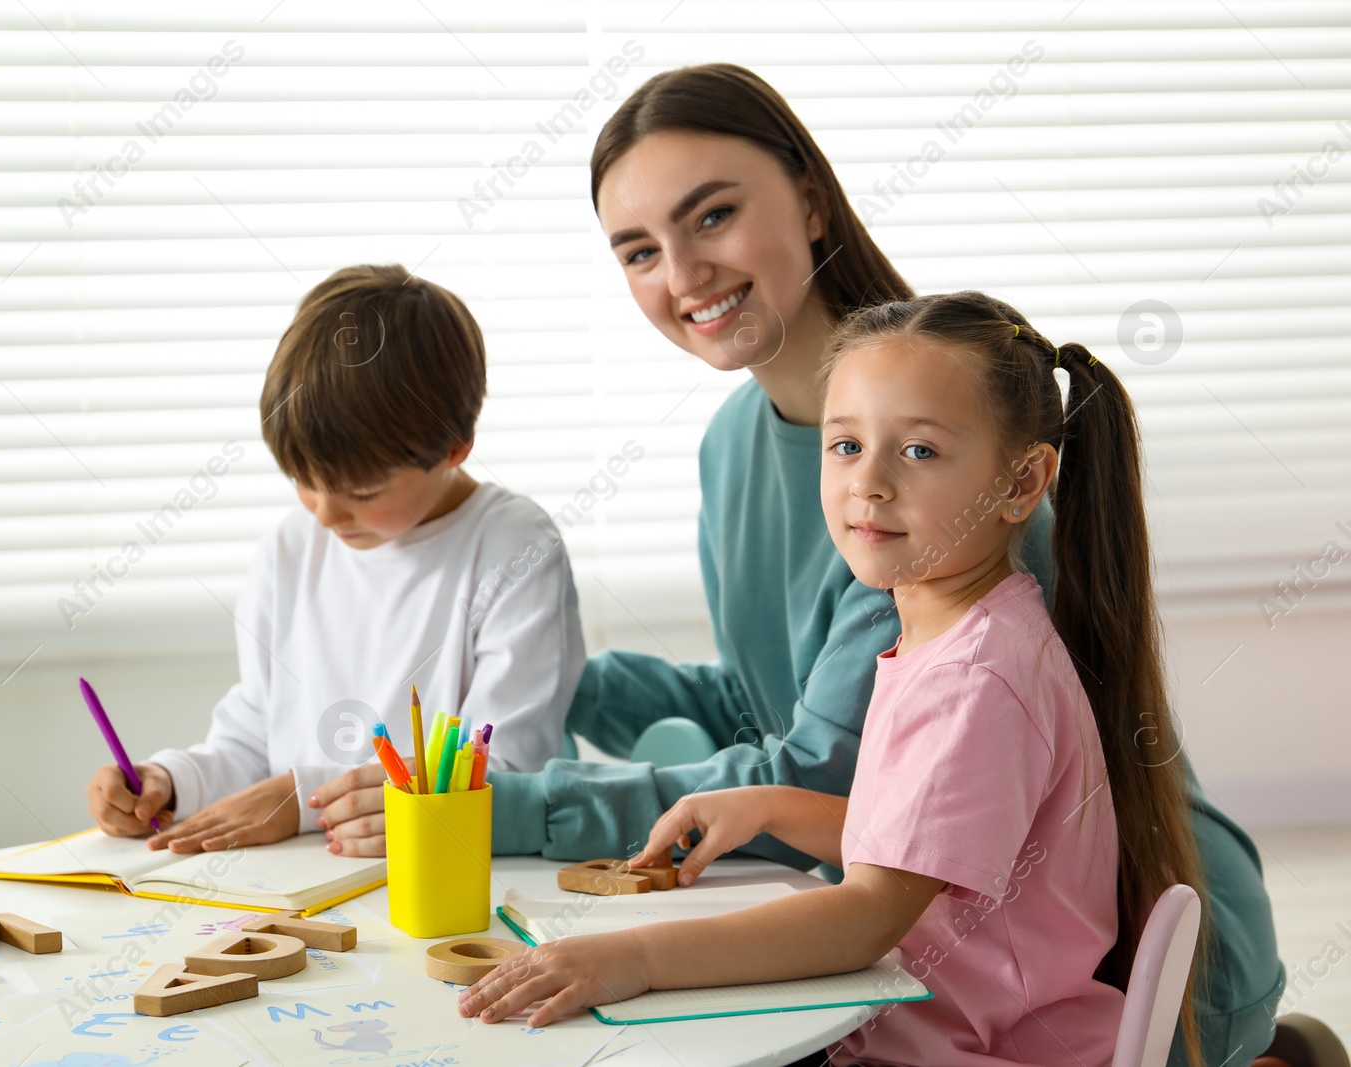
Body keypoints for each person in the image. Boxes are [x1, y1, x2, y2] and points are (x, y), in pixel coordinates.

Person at [305, 65, 1280, 1064]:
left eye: (712, 215)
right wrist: (538, 669)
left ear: (811, 200)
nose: (682, 274)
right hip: (961, 952)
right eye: (639, 250)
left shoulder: (956, 473)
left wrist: (516, 818)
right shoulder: (746, 445)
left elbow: (831, 784)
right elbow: (773, 701)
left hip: (1124, 978)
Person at [458, 291, 1203, 1067]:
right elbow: (912, 847)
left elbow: (869, 913)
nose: (869, 483)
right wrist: (771, 805)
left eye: (919, 451)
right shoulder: (957, 634)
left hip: (966, 1051)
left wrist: (634, 958)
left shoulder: (979, 678)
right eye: (845, 445)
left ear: (1021, 483)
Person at [84, 264, 584, 853]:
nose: (323, 514)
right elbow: (255, 737)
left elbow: (501, 770)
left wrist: (302, 798)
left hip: (439, 880)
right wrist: (169, 783)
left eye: (363, 493)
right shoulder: (291, 547)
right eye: (302, 480)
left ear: (454, 448)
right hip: (297, 878)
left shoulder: (514, 548)